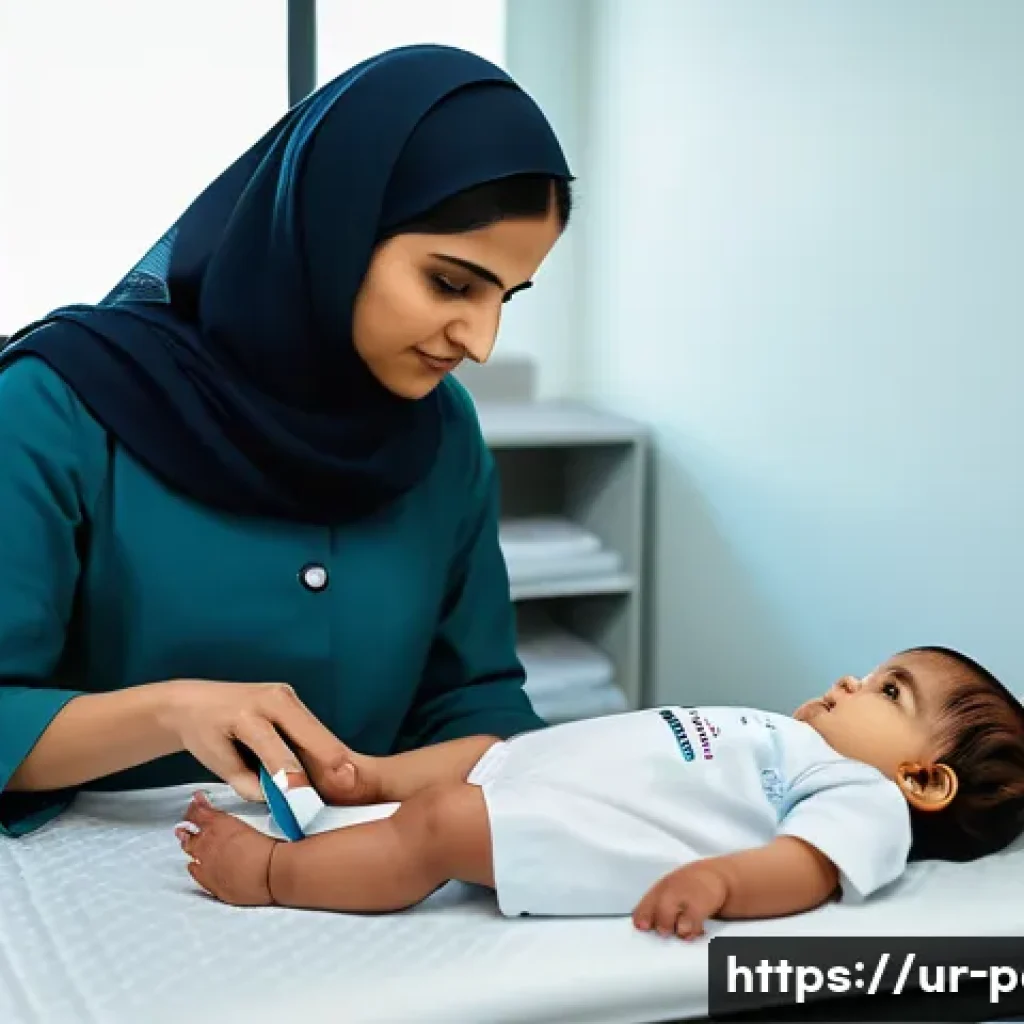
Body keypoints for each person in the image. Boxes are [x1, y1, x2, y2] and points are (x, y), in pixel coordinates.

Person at [0, 44, 574, 837]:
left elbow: (477, 704)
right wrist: (170, 713)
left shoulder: (441, 434)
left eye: (506, 296)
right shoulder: (55, 403)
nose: (479, 341)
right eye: (450, 283)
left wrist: (389, 782)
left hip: (366, 884)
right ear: (335, 228)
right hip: (94, 891)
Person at [175, 646, 1024, 938]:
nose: (853, 679)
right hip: (538, 769)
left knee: (439, 823)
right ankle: (364, 777)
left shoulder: (856, 792)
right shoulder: (793, 738)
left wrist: (719, 882)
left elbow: (807, 866)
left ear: (923, 778)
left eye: (889, 691)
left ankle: (273, 875)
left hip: (587, 835)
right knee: (476, 752)